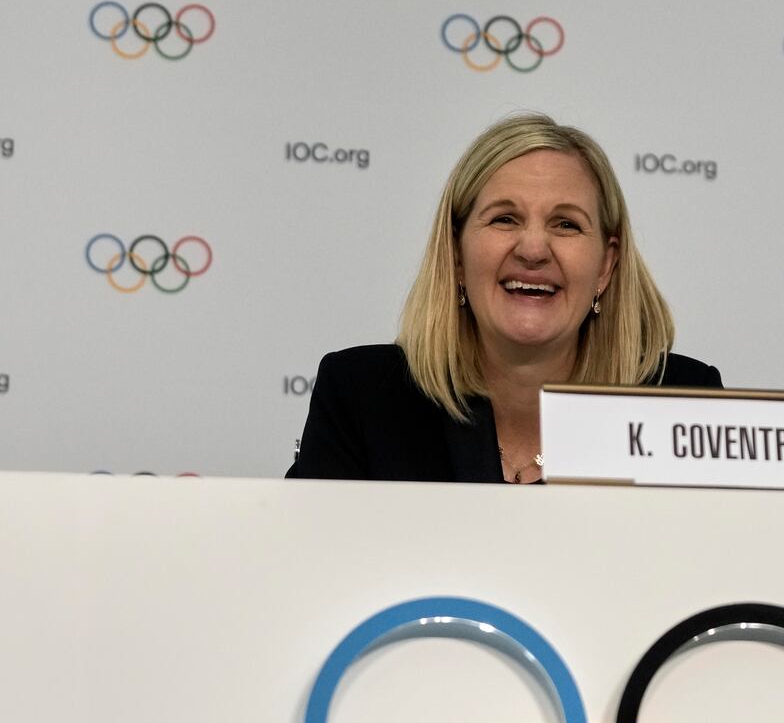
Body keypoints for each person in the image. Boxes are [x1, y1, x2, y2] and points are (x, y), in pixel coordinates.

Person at [287, 113, 722, 483]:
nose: (533, 249)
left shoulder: (684, 403)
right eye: (505, 219)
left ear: (605, 266)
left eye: (566, 224)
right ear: (456, 254)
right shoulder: (363, 398)